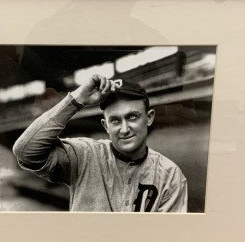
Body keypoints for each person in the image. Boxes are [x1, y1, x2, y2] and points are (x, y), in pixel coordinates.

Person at [12, 74, 188, 212]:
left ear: (149, 118)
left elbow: (167, 239)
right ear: (105, 126)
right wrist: (76, 100)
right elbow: (25, 151)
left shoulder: (170, 175)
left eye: (132, 117)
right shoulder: (84, 154)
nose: (124, 129)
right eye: (115, 120)